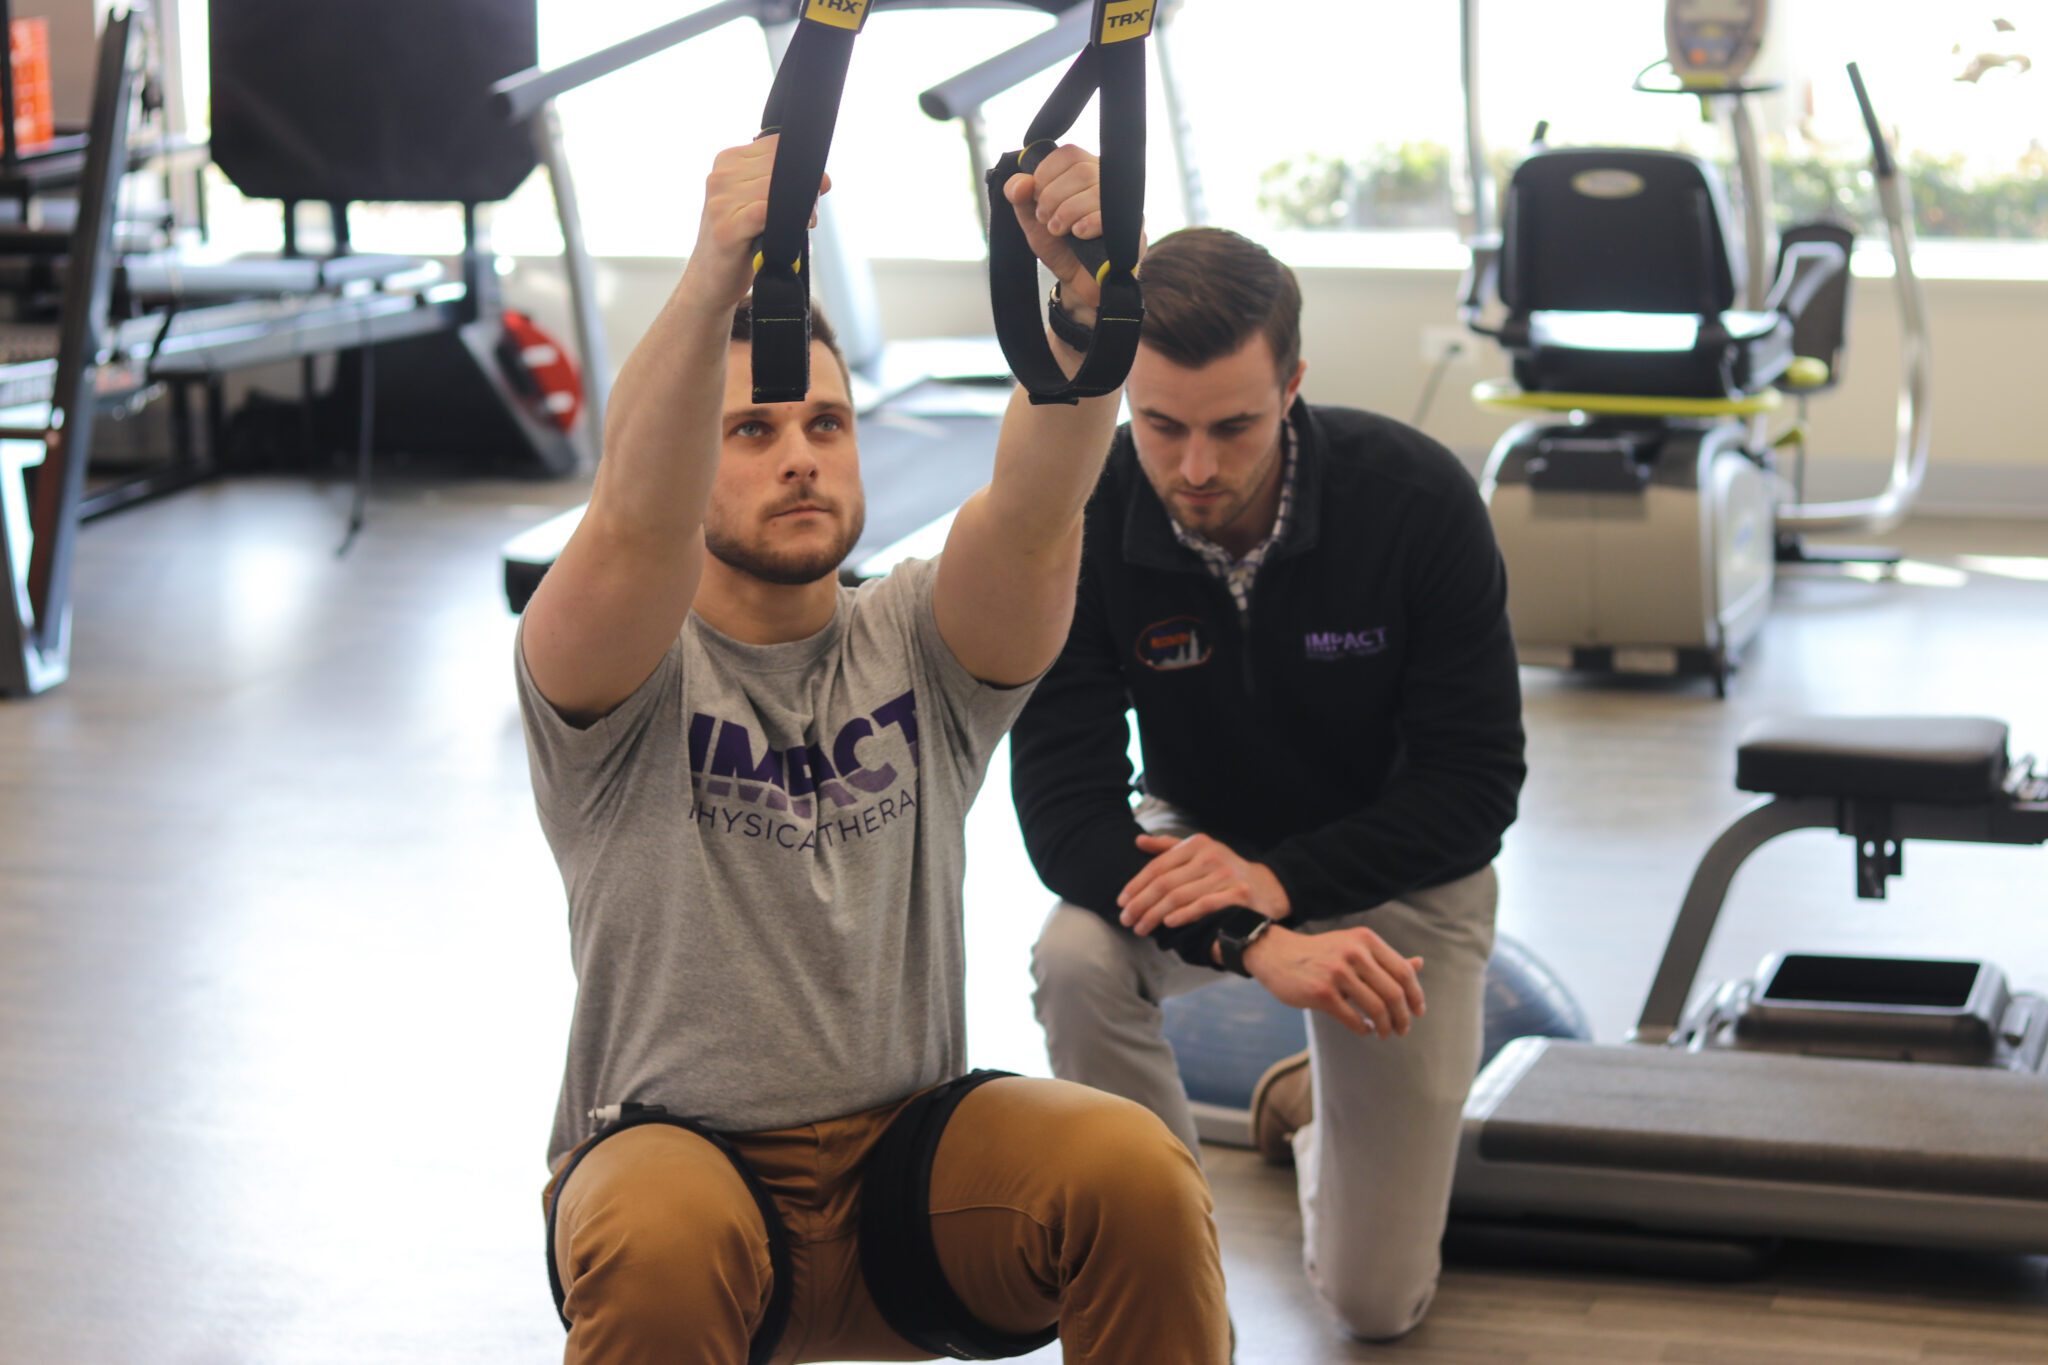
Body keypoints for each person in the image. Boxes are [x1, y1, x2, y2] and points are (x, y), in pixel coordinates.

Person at [515, 137, 1229, 1364]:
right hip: (680, 1165)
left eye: (825, 421)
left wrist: (1084, 304)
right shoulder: (619, 670)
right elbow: (633, 520)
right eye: (749, 430)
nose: (799, 452)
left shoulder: (920, 645)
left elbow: (1036, 500)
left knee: (1133, 1168)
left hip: (916, 1187)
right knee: (659, 1239)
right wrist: (707, 277)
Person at [1011, 226, 1525, 1342]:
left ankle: (1298, 1110)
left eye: (1233, 426)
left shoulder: (1415, 500)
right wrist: (1250, 928)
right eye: (1160, 426)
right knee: (1072, 958)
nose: (1194, 467)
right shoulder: (1082, 521)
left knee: (1375, 1305)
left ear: (1290, 385)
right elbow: (1062, 814)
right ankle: (1164, 1275)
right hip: (1203, 852)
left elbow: (1476, 786)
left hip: (1400, 862)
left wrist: (1283, 881)